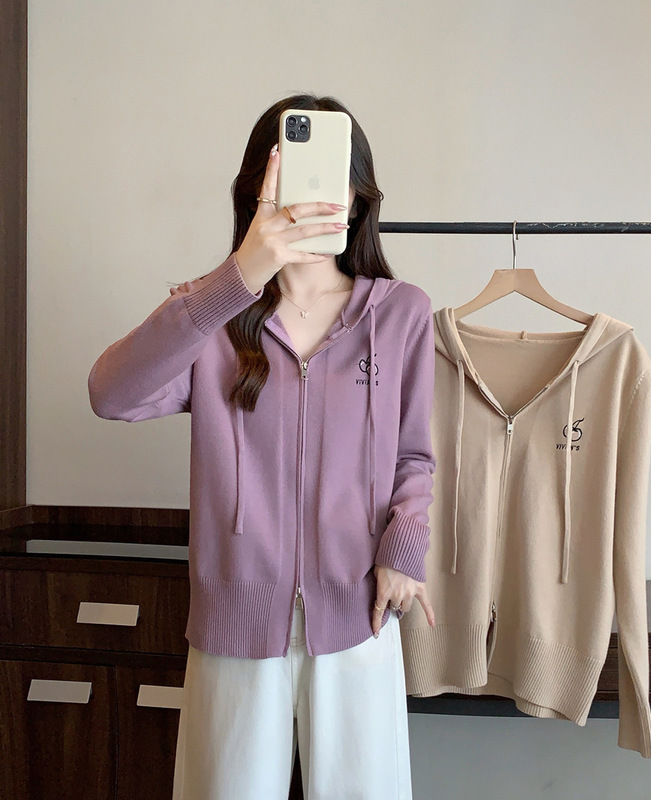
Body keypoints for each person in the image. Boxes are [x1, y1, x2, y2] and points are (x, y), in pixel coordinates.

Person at [87, 93, 437, 799]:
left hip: (359, 614)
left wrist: (404, 547)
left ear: (357, 198)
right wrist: (237, 278)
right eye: (294, 181)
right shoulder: (210, 315)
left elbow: (414, 455)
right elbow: (110, 394)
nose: (315, 199)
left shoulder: (400, 313)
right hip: (234, 620)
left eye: (332, 179)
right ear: (257, 192)